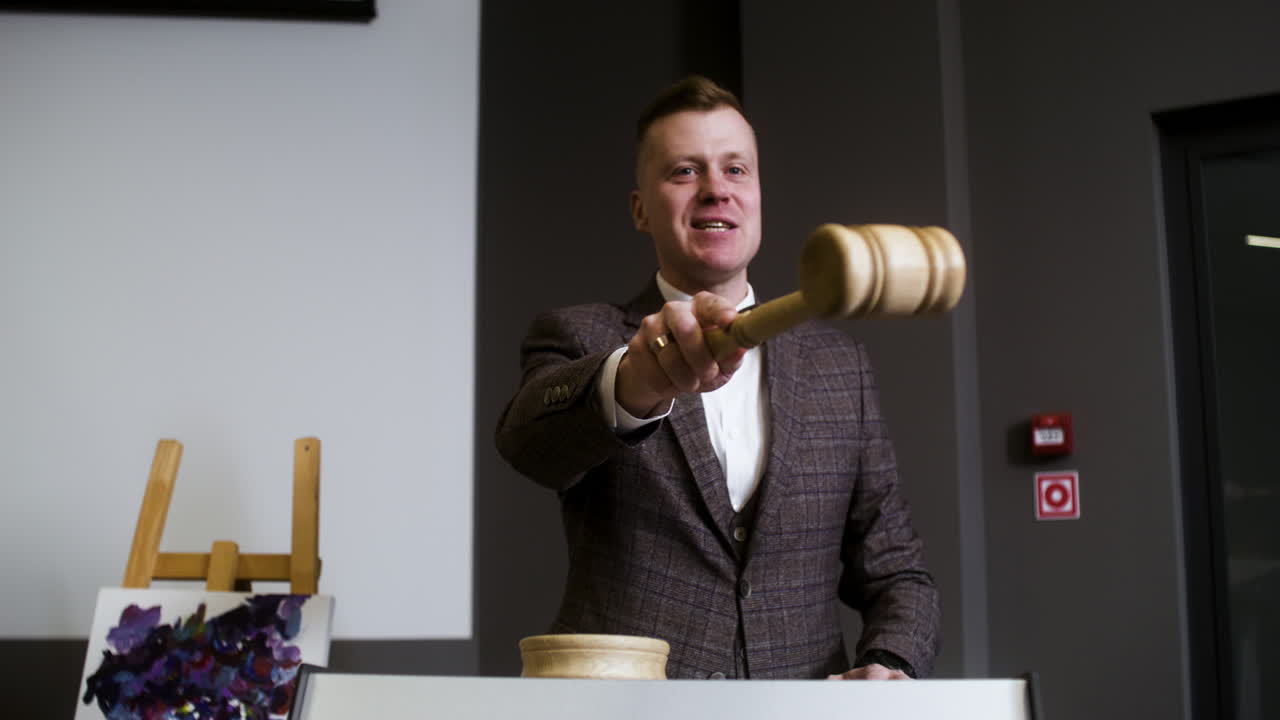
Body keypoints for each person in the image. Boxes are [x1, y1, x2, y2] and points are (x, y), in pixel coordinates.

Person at [495, 75, 940, 680]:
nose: (715, 191)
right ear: (639, 209)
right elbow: (529, 445)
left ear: (758, 196)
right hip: (626, 712)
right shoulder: (581, 337)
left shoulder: (841, 368)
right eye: (684, 171)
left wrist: (892, 661)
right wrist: (634, 383)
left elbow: (897, 572)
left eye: (736, 170)